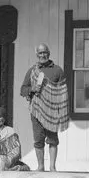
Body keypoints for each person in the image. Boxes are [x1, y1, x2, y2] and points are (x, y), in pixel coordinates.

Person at [20, 43, 69, 171]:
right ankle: (40, 167)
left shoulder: (58, 70)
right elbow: (23, 89)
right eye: (40, 53)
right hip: (36, 111)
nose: (43, 55)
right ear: (37, 55)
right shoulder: (32, 70)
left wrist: (59, 108)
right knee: (38, 139)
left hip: (52, 110)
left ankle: (52, 167)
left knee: (52, 139)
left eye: (45, 52)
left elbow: (63, 91)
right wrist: (32, 89)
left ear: (49, 53)